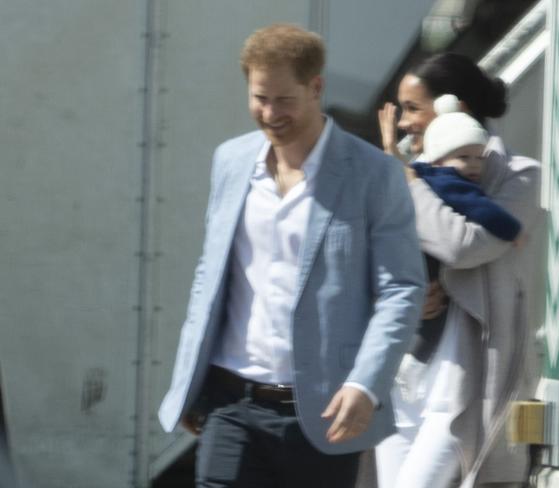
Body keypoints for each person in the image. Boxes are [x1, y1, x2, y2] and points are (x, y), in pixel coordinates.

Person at [157, 24, 425, 488]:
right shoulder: (230, 161)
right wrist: (188, 380)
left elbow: (401, 288)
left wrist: (365, 383)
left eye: (283, 99)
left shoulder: (372, 174)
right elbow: (210, 273)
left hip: (325, 410)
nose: (269, 113)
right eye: (260, 98)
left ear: (315, 87)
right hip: (231, 402)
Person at [375, 53, 543, 488]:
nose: (407, 122)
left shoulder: (518, 176)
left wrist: (408, 183)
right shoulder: (401, 172)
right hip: (402, 372)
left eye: (414, 108)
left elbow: (462, 245)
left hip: (461, 382)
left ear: (454, 108)